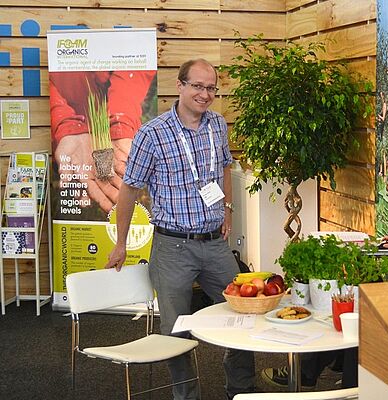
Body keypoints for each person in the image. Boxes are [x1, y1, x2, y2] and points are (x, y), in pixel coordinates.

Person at [105, 59, 254, 400]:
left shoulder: (217, 123)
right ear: (181, 86)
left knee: (245, 315)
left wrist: (227, 210)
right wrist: (122, 243)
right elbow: (130, 189)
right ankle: (186, 397)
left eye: (211, 88)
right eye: (198, 86)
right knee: (175, 331)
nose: (205, 95)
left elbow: (225, 168)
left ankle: (242, 391)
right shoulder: (152, 134)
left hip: (215, 244)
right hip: (172, 247)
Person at [50, 70, 156, 213]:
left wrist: (121, 125)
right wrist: (66, 126)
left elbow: (132, 73)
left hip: (110, 114)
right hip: (71, 122)